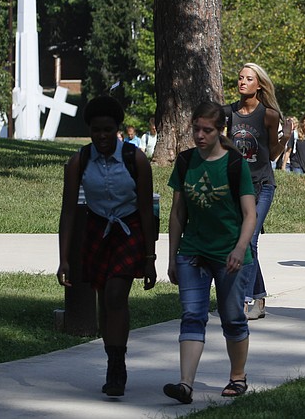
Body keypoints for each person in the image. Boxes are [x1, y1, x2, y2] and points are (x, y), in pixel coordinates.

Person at [57, 96, 156, 397]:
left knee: (115, 295)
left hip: (129, 230)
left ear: (118, 130)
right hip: (98, 230)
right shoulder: (80, 161)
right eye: (96, 130)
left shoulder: (134, 158)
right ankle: (111, 357)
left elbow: (146, 209)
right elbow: (69, 211)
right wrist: (63, 259)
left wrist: (150, 256)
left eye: (108, 130)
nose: (102, 136)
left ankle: (118, 365)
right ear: (89, 129)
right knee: (103, 298)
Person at [163, 102, 257, 403]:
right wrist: (172, 257)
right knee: (192, 315)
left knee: (232, 318)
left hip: (230, 254)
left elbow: (250, 214)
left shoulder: (234, 163)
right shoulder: (185, 161)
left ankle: (238, 377)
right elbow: (177, 213)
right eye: (196, 129)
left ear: (220, 131)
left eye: (207, 130)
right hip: (192, 252)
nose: (200, 135)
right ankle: (185, 384)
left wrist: (240, 249)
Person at [225, 63, 293, 320]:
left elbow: (272, 154)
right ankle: (260, 297)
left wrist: (285, 138)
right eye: (240, 77)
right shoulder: (229, 112)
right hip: (238, 187)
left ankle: (242, 300)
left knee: (249, 240)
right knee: (243, 242)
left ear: (259, 85)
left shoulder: (268, 115)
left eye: (248, 79)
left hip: (262, 185)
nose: (242, 82)